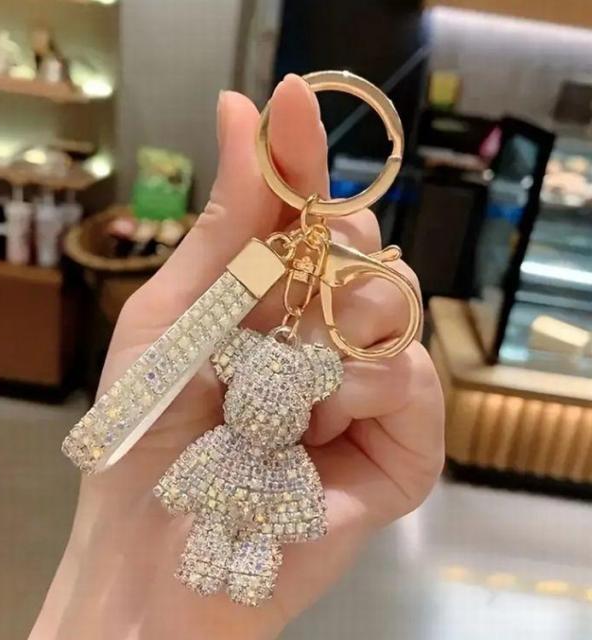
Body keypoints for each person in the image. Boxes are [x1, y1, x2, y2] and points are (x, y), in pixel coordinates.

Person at [30, 74, 445, 640]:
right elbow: (159, 472)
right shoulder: (242, 312)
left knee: (258, 545)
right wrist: (123, 533)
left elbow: (297, 507)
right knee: (213, 534)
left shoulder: (289, 411)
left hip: (255, 493)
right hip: (188, 461)